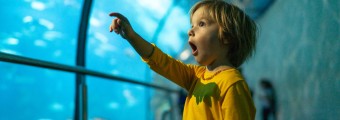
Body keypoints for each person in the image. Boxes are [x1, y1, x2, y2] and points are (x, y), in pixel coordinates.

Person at [109, 0, 257, 119]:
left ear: (226, 37)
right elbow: (160, 62)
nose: (189, 31)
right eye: (192, 25)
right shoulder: (196, 76)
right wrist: (132, 37)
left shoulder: (231, 83)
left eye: (201, 24)